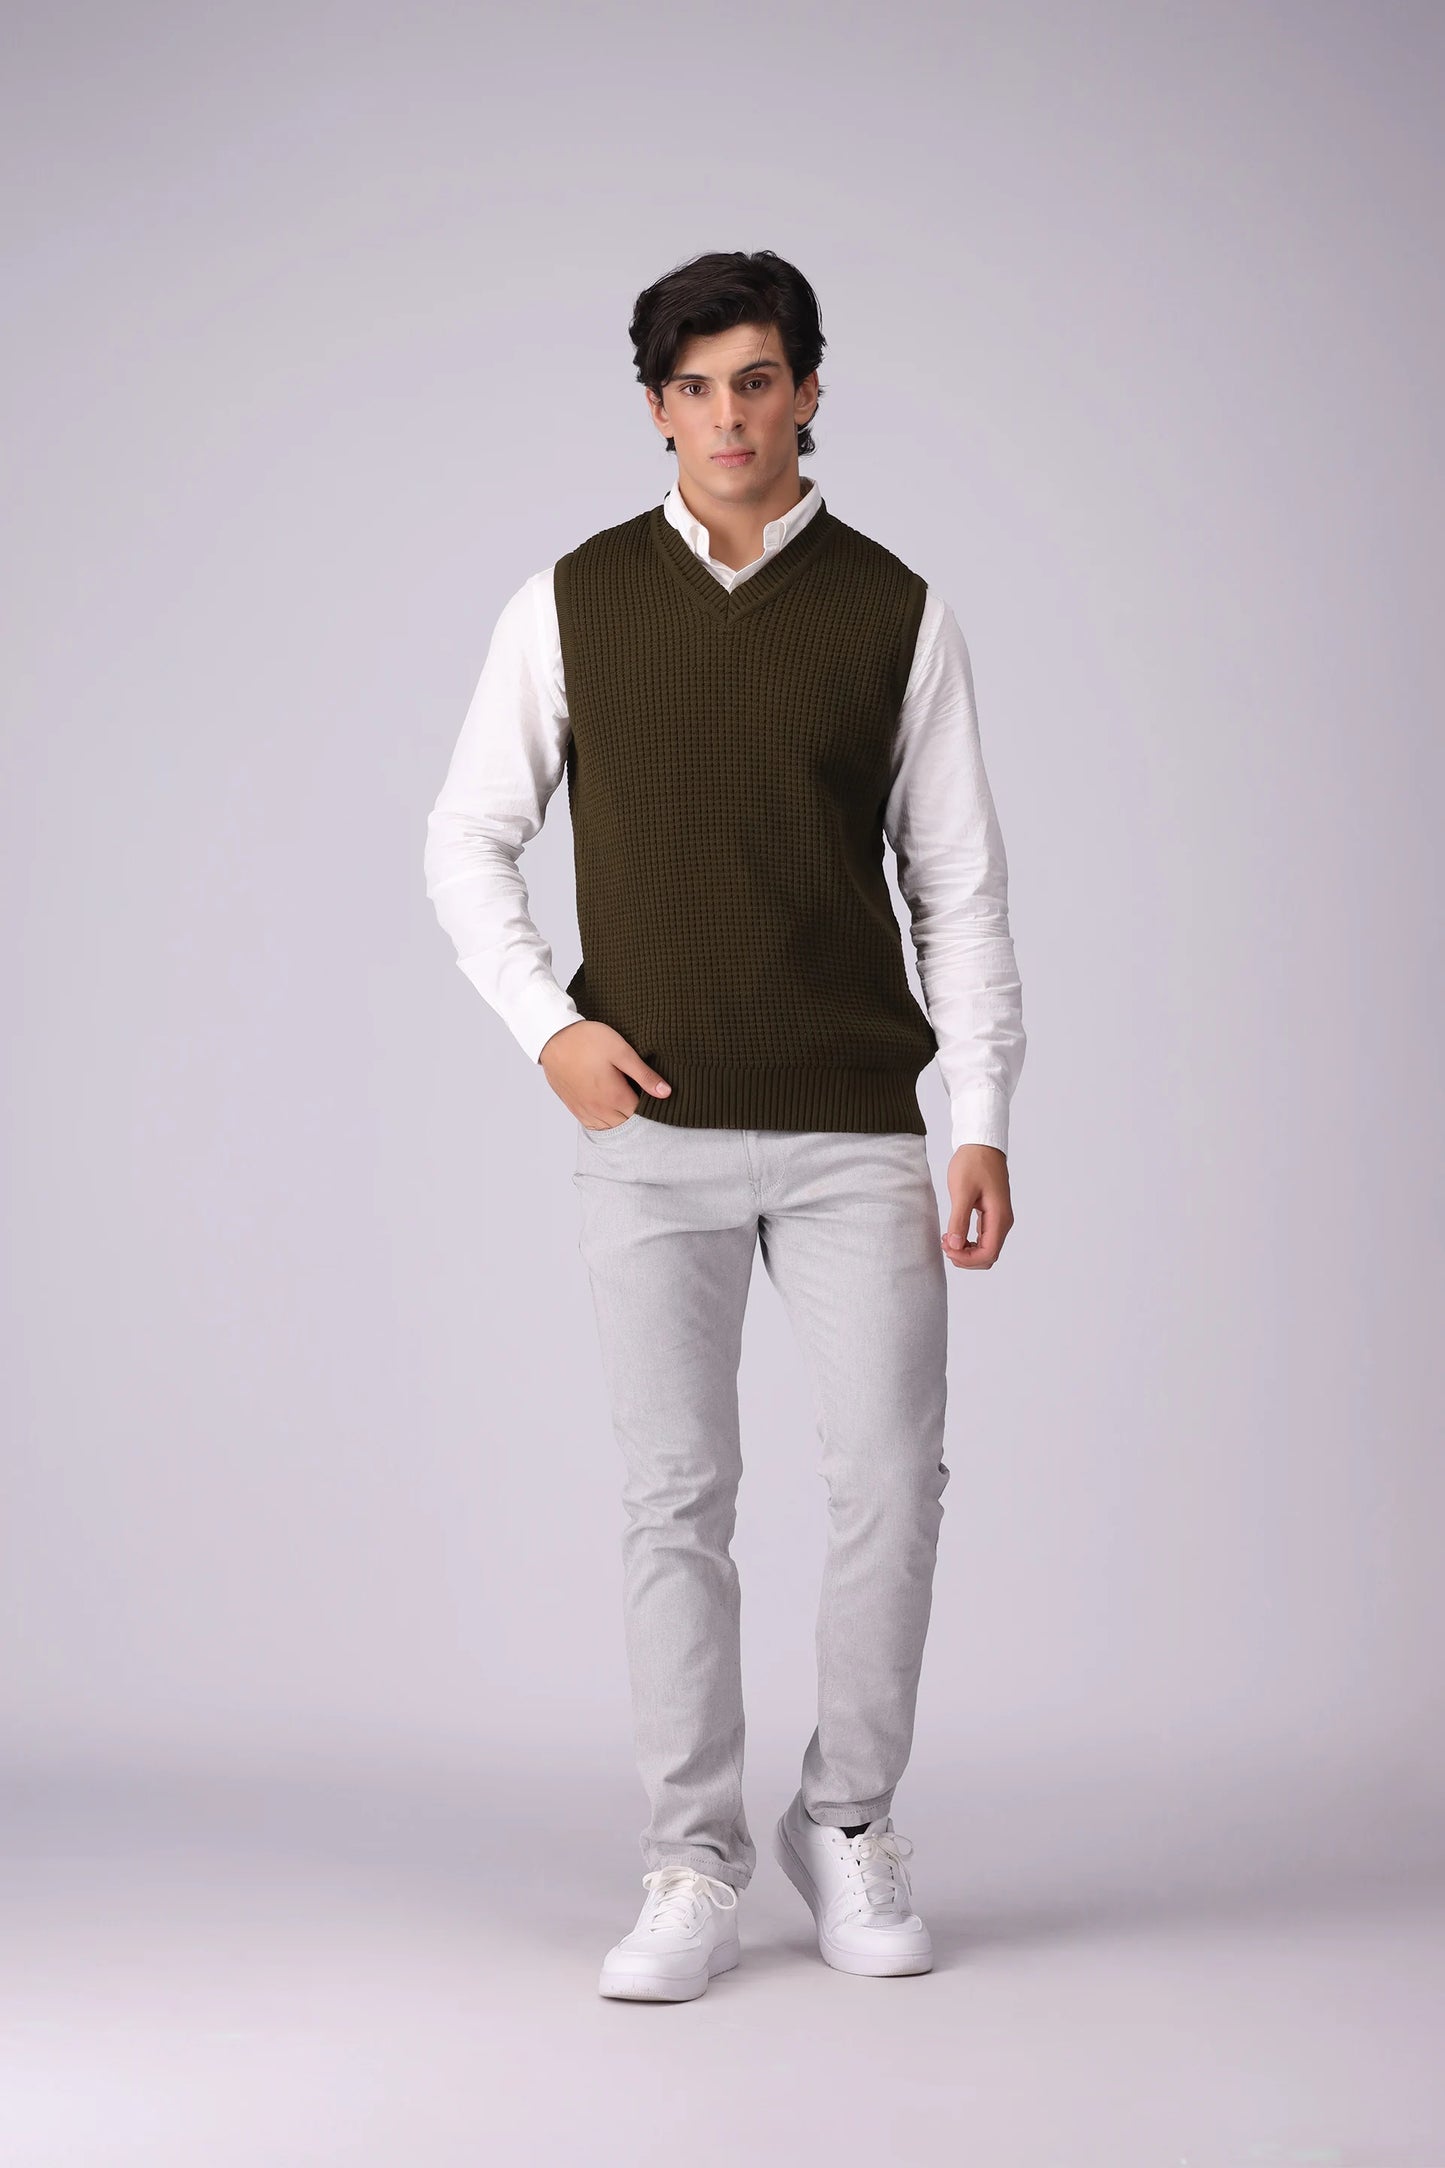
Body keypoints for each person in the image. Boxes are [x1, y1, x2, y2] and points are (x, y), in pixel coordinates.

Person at [423, 248, 1026, 2001]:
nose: (727, 417)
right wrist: (551, 1029)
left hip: (854, 1130)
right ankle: (688, 1856)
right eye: (693, 389)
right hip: (653, 1134)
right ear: (655, 410)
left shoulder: (895, 611)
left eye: (756, 380)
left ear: (808, 392)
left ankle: (847, 1819)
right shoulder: (570, 602)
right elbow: (465, 838)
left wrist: (979, 1112)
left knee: (889, 1482)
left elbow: (958, 887)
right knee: (674, 1498)